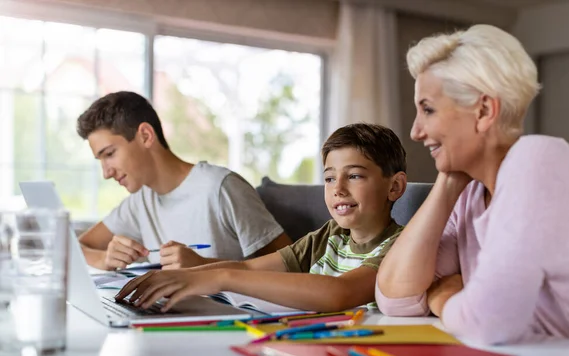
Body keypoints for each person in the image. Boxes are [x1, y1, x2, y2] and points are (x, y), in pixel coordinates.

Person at [375, 25, 569, 344]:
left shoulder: (540, 160)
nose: (415, 131)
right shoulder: (471, 194)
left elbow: (488, 322)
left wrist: (444, 296)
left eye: (427, 109)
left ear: (483, 111)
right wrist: (449, 181)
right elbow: (396, 298)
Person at [115, 123, 407, 312]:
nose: (338, 189)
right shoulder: (330, 235)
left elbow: (340, 293)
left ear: (394, 187)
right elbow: (250, 267)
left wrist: (221, 278)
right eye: (330, 179)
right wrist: (181, 277)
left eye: (354, 176)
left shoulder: (403, 246)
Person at [76, 91, 291, 271]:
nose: (106, 173)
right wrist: (104, 259)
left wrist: (203, 267)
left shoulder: (220, 188)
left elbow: (293, 266)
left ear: (145, 135)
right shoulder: (140, 202)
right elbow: (77, 246)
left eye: (110, 154)